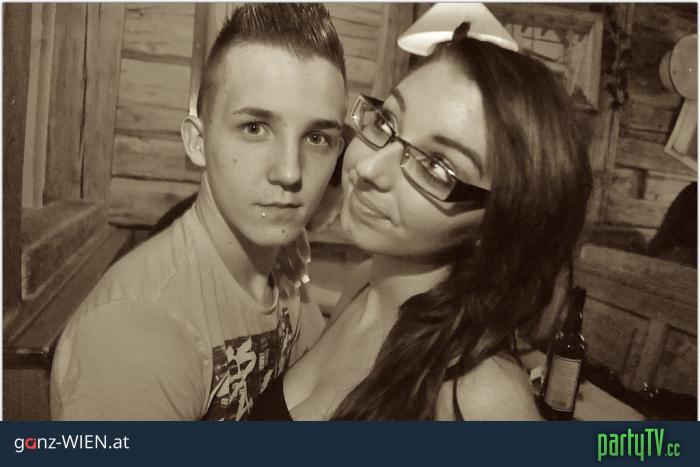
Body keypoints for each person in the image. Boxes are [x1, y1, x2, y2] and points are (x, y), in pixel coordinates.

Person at [249, 34, 592, 420]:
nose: (369, 167)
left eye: (436, 167)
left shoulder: (483, 398)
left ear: (497, 223)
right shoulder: (364, 285)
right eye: (386, 122)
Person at [50, 3, 347, 420]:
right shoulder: (139, 330)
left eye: (317, 138)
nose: (290, 172)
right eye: (255, 128)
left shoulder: (281, 262)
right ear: (197, 142)